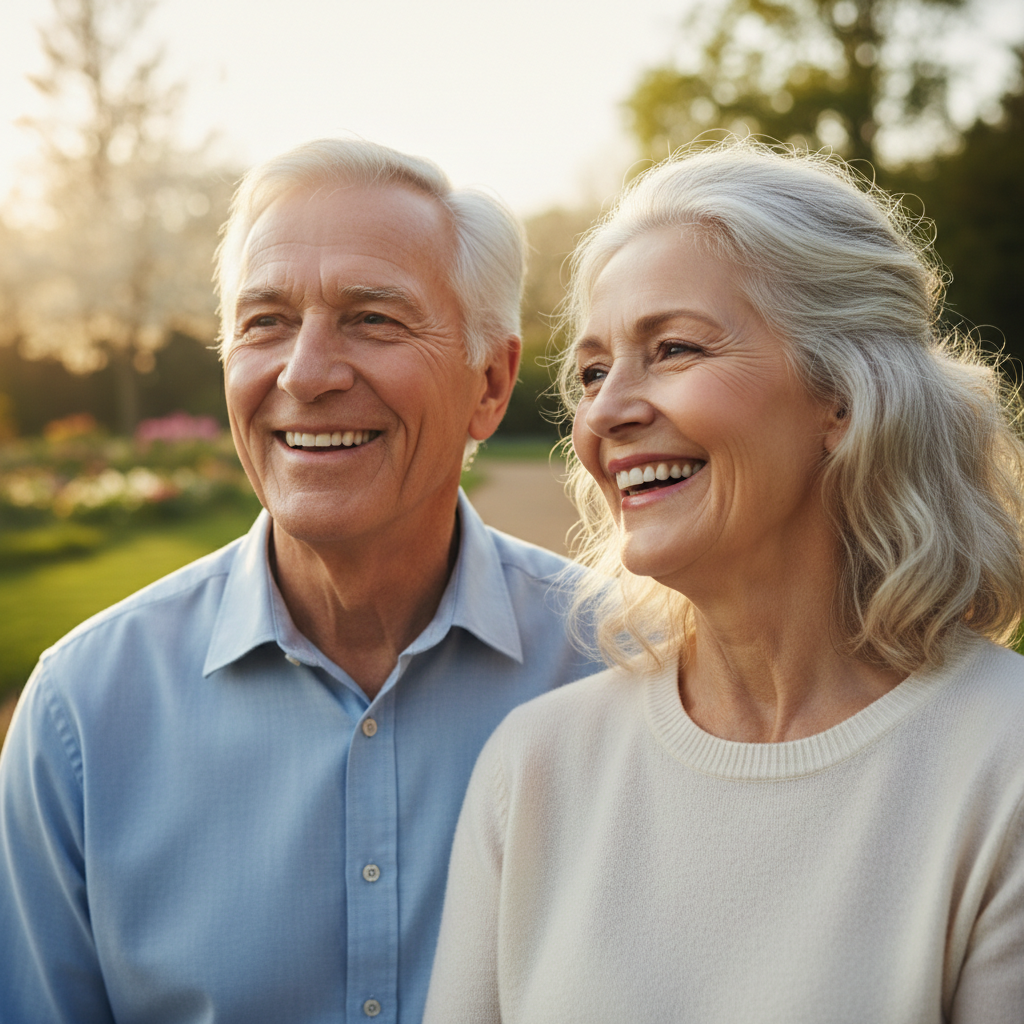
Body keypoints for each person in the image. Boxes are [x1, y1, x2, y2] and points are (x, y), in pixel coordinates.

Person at [0, 139, 600, 1024]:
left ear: (492, 382)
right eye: (265, 321)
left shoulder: (624, 667)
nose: (305, 374)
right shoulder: (81, 714)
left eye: (373, 319)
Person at [423, 139, 1024, 1022]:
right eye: (592, 371)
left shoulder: (1002, 764)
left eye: (671, 348)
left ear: (842, 398)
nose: (607, 411)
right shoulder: (537, 766)